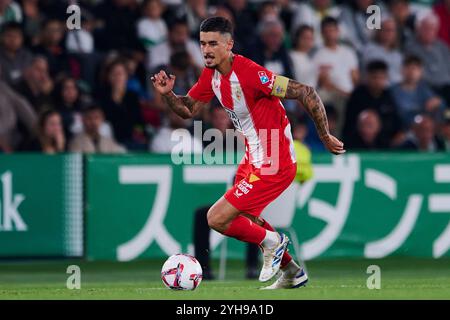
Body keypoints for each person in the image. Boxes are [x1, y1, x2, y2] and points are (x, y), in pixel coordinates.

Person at [151, 16, 344, 289]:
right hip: (253, 159)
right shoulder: (211, 74)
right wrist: (168, 94)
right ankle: (292, 272)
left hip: (274, 160)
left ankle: (272, 242)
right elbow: (188, 109)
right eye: (203, 43)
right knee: (246, 218)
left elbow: (305, 91)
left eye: (213, 43)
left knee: (216, 217)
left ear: (229, 44)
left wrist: (323, 135)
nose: (206, 50)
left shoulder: (251, 74)